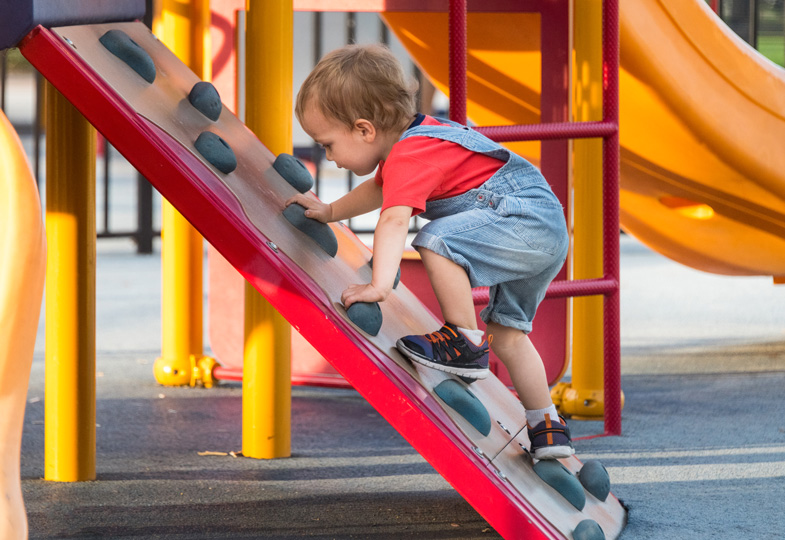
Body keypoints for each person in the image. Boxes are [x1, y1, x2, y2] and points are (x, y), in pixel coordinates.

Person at [286, 44, 573, 460]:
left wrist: (378, 286)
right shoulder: (416, 141)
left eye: (328, 144)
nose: (329, 156)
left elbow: (393, 218)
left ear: (365, 130)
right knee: (509, 334)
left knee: (436, 239)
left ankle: (463, 340)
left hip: (520, 219)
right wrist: (331, 211)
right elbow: (379, 191)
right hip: (544, 229)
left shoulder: (411, 152)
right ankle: (547, 427)